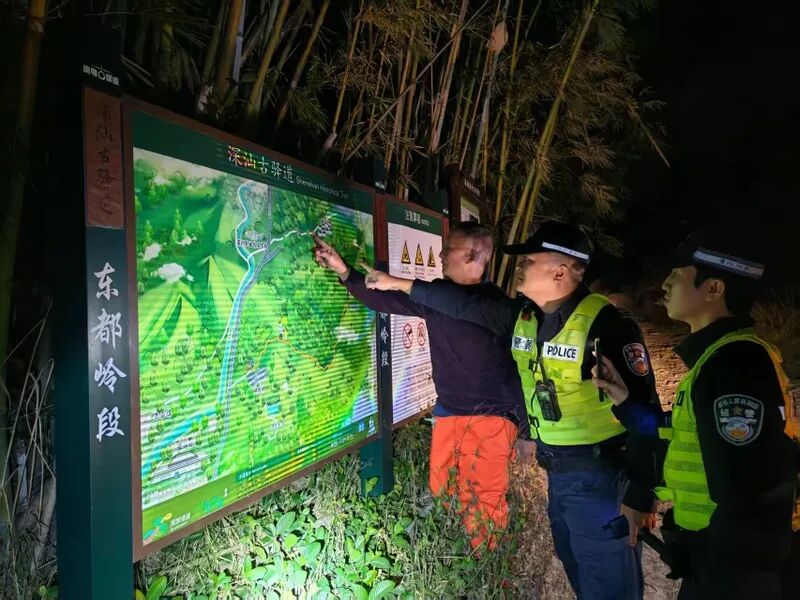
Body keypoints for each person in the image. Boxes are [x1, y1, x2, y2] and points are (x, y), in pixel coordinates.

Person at [364, 220, 664, 600]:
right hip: (558, 474)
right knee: (577, 569)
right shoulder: (523, 316)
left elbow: (648, 416)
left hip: (602, 476)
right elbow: (461, 304)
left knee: (608, 584)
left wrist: (641, 495)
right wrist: (398, 284)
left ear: (560, 272)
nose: (520, 267)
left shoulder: (608, 326)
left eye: (530, 260)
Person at [593, 226, 800, 599]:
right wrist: (626, 401)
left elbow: (752, 488)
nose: (666, 283)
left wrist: (725, 571)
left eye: (678, 274)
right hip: (721, 558)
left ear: (713, 288)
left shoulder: (736, 363)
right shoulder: (719, 358)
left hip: (735, 571)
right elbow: (685, 434)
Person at [312, 221, 528, 549]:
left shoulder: (498, 308)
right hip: (449, 412)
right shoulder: (436, 297)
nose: (440, 255)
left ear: (471, 255)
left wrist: (525, 431)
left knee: (484, 500)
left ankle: (486, 560)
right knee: (442, 490)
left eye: (448, 248)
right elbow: (384, 301)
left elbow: (519, 370)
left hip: (492, 419)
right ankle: (452, 558)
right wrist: (344, 271)